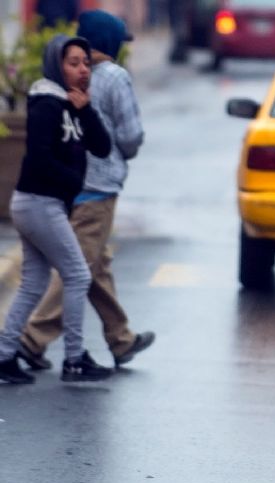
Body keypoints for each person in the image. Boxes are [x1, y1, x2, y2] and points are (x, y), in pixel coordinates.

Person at [16, 10, 154, 373]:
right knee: (79, 269)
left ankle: (120, 339)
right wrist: (127, 149)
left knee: (96, 264)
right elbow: (129, 135)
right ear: (111, 44)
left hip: (71, 184)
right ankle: (31, 340)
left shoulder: (68, 76)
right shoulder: (115, 77)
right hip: (99, 187)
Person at [0, 35, 112, 385]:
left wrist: (86, 110)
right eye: (73, 63)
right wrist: (72, 184)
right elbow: (40, 158)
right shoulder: (46, 104)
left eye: (85, 64)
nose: (82, 70)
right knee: (78, 275)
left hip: (40, 204)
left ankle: (4, 355)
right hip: (39, 203)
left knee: (33, 282)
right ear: (56, 65)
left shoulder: (71, 104)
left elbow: (103, 147)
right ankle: (75, 359)